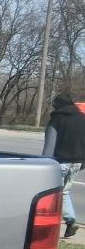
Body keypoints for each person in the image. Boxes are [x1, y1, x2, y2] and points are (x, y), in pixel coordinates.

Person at [43, 93, 84, 238]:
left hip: (60, 163)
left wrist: (45, 164)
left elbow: (49, 144)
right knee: (64, 193)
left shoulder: (57, 119)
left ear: (57, 105)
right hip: (77, 163)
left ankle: (49, 229)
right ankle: (70, 221)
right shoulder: (82, 118)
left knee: (52, 196)